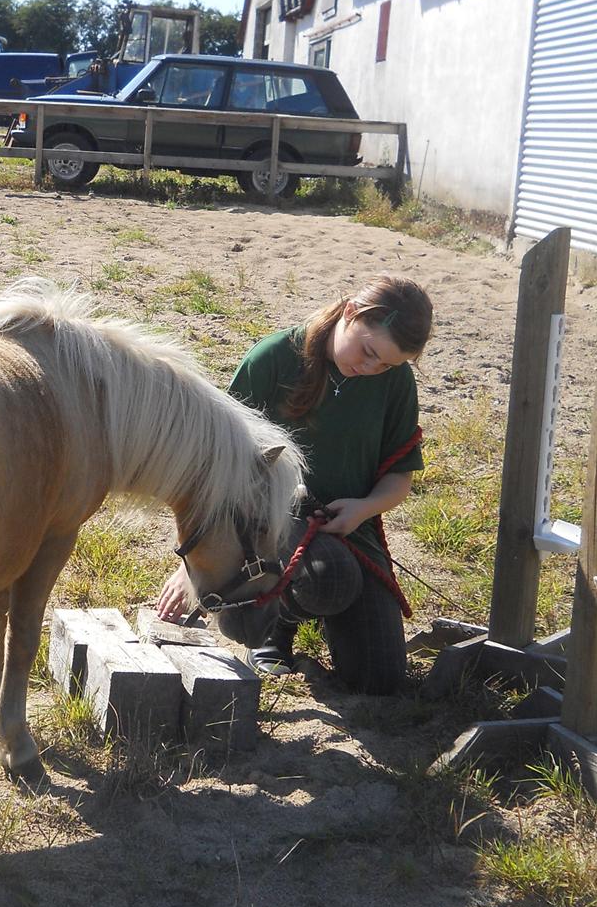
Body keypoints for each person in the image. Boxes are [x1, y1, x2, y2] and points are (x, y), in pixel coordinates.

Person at [157, 275, 433, 695]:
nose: (371, 368)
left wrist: (362, 508)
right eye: (368, 352)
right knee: (330, 577)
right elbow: (213, 470)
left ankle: (325, 611)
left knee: (381, 679)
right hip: (265, 525)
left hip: (348, 528)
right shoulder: (274, 357)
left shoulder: (394, 382)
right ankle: (278, 628)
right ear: (352, 313)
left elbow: (400, 477)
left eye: (387, 364)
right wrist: (192, 566)